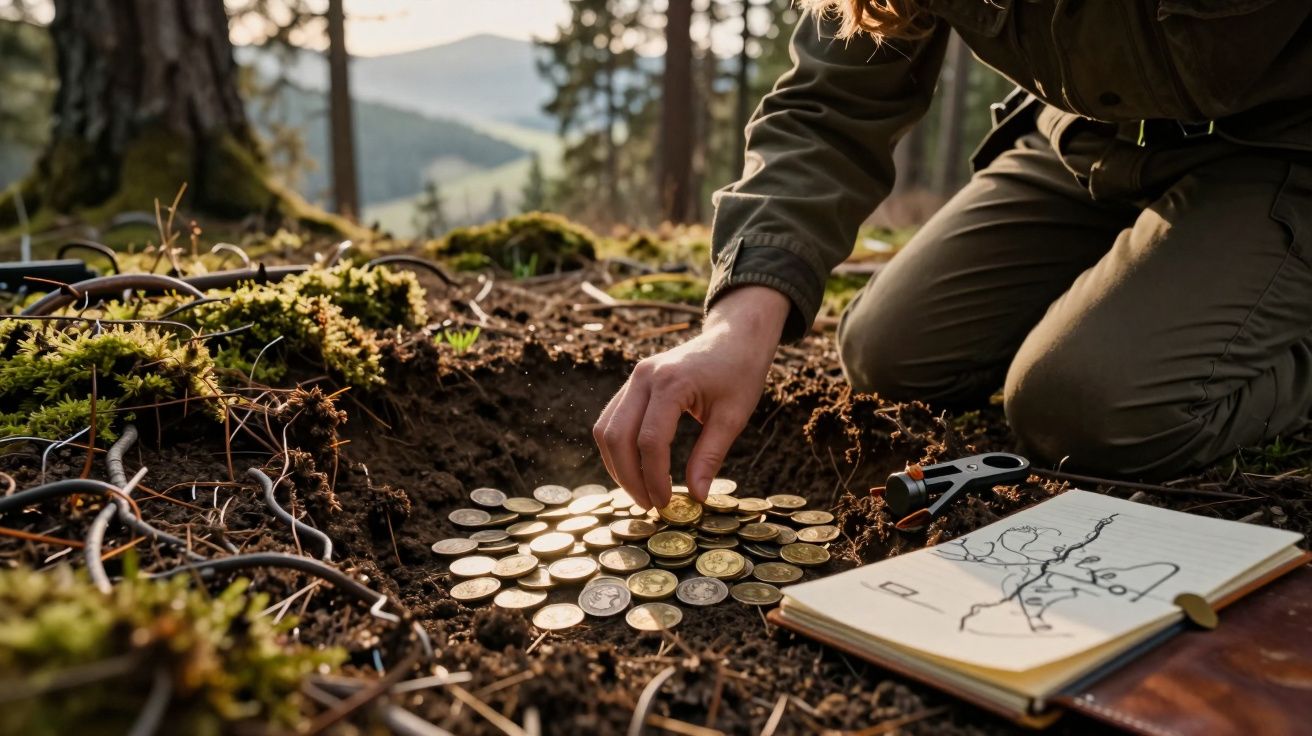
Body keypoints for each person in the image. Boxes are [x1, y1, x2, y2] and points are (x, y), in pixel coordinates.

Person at [595, 0, 1312, 510]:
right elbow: (829, 100)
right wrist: (735, 325)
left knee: (1086, 407)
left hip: (1280, 152)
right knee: (891, 354)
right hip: (1087, 144)